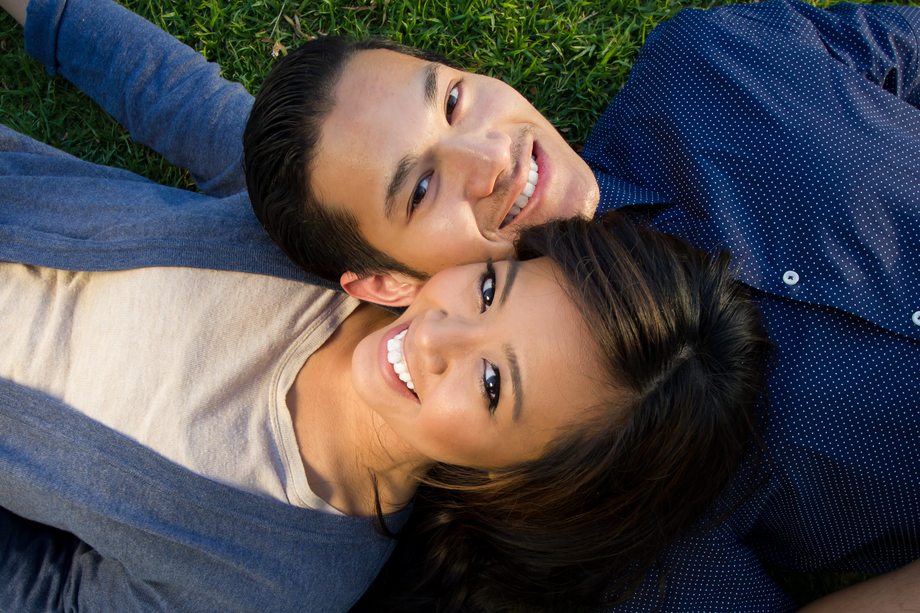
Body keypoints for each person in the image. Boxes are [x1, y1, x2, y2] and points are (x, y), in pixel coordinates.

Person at [3, 0, 919, 610]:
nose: (440, 331)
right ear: (382, 277)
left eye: (492, 382)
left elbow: (43, 588)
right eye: (487, 284)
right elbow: (165, 87)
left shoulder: (281, 574)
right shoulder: (292, 235)